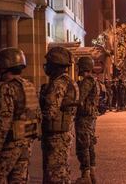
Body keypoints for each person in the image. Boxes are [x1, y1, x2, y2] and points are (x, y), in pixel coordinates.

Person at [0, 48, 41, 183]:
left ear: (4, 67)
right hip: (26, 143)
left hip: (10, 144)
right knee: (18, 180)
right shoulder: (29, 85)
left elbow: (2, 123)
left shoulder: (5, 88)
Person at [40, 46, 79, 183]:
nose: (47, 67)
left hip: (56, 136)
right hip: (63, 133)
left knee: (55, 174)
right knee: (61, 170)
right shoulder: (69, 81)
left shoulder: (59, 83)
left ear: (56, 65)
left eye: (49, 64)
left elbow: (50, 111)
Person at [75, 56, 100, 184]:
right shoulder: (93, 80)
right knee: (89, 144)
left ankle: (86, 175)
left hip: (84, 117)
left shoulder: (87, 81)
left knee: (83, 145)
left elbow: (79, 98)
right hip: (89, 117)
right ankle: (91, 174)